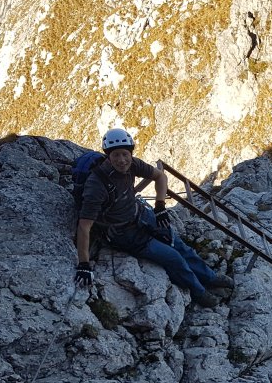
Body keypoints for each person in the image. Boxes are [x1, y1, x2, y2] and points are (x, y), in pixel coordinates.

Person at [74, 128, 234, 307]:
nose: (122, 160)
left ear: (131, 153)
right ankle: (199, 292)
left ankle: (210, 277)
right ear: (108, 156)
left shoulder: (133, 164)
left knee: (178, 244)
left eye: (125, 154)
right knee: (172, 257)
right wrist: (84, 264)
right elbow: (84, 226)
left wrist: (160, 207)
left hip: (141, 214)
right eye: (116, 155)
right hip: (123, 233)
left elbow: (160, 176)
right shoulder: (97, 185)